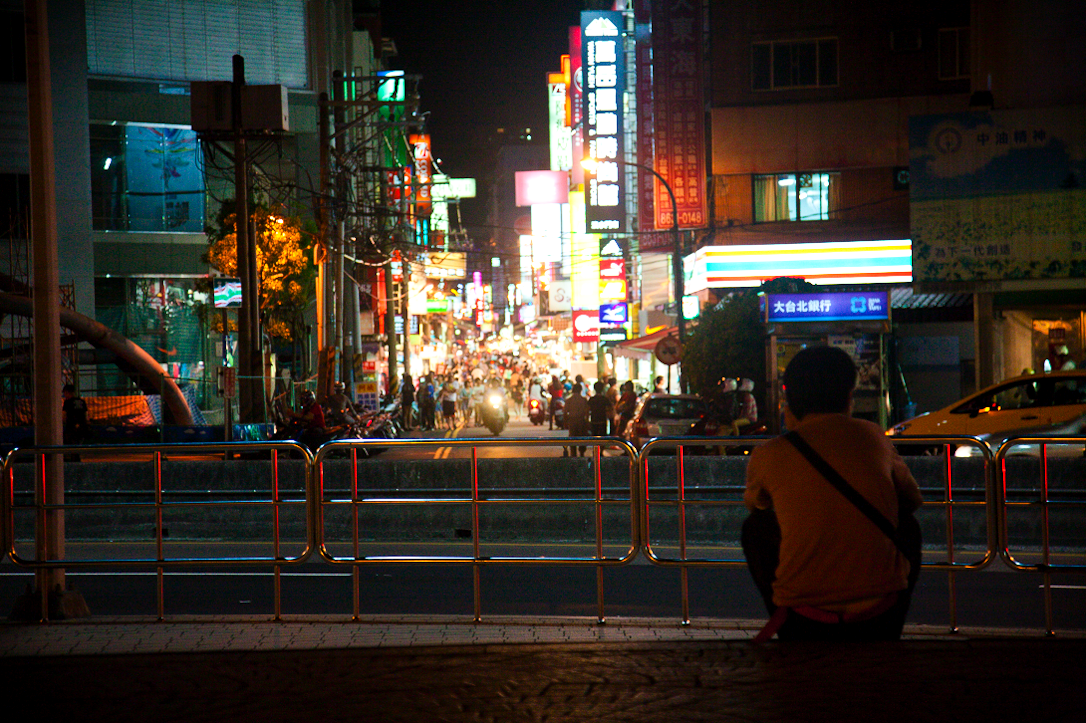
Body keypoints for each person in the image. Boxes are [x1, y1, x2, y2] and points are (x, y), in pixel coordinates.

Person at [742, 345, 923, 642]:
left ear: (789, 401)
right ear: (849, 396)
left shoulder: (769, 454)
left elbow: (756, 504)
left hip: (804, 616)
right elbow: (912, 501)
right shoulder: (873, 436)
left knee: (756, 527)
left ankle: (780, 615)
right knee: (908, 525)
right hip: (881, 612)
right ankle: (894, 629)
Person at [563, 382, 590, 457]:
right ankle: (582, 453)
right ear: (581, 390)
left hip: (572, 421)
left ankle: (573, 455)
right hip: (581, 421)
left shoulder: (569, 400)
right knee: (581, 438)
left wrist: (565, 422)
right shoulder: (583, 400)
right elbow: (587, 412)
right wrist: (587, 421)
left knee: (573, 438)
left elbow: (565, 412)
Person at [62, 383, 89, 447]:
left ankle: (74, 456)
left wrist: (64, 422)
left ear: (67, 392)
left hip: (71, 426)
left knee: (71, 445)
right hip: (82, 426)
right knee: (79, 444)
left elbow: (64, 415)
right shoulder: (82, 401)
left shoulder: (67, 402)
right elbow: (86, 415)